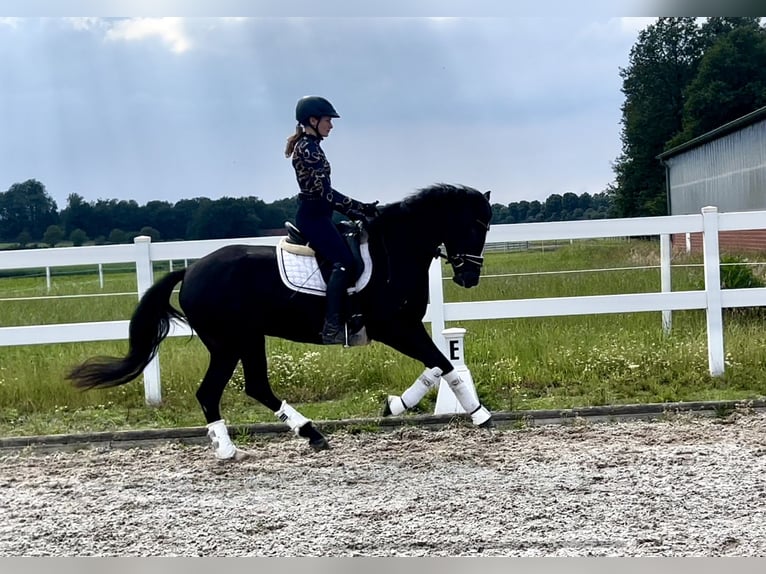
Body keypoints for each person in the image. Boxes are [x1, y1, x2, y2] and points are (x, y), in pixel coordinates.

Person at [284, 95, 379, 345]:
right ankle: (332, 325)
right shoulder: (308, 149)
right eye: (328, 120)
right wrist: (358, 209)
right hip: (313, 217)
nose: (331, 125)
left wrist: (357, 209)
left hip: (321, 215)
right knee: (344, 262)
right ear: (313, 120)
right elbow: (325, 193)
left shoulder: (313, 146)